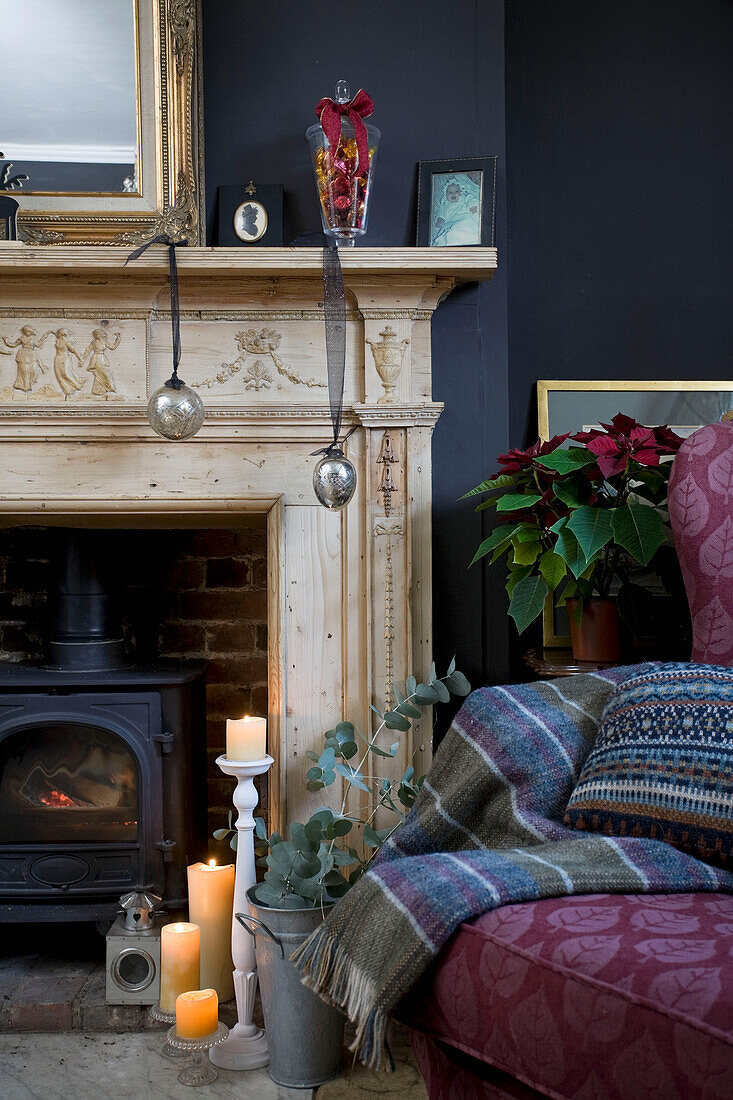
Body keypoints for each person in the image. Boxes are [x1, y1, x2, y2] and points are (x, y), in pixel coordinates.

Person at [431, 173, 481, 245]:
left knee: (465, 225)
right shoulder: (445, 204)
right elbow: (440, 213)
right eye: (450, 192)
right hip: (450, 221)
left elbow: (470, 199)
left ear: (460, 192)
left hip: (464, 217)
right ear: (446, 195)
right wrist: (440, 219)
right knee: (446, 233)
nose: (453, 194)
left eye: (456, 191)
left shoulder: (463, 197)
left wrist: (473, 205)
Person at [1, 326, 51, 394]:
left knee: (33, 371)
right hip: (23, 354)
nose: (29, 333)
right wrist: (6, 342)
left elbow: (38, 345)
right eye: (27, 331)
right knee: (24, 371)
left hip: (31, 354)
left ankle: (29, 385)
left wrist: (45, 336)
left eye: (30, 331)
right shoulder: (21, 338)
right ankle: (25, 387)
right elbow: (14, 345)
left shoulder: (33, 338)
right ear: (24, 331)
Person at [83, 329, 120, 397]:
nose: (96, 335)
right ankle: (106, 389)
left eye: (98, 334)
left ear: (102, 335)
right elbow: (88, 349)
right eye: (95, 334)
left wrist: (118, 339)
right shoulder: (94, 342)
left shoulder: (104, 342)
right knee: (101, 374)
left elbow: (113, 347)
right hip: (96, 359)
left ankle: (101, 390)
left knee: (103, 374)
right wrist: (83, 357)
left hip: (102, 358)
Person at [50, 328, 85, 397]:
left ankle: (77, 385)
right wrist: (51, 332)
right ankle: (68, 390)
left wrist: (80, 358)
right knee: (59, 375)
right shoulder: (57, 340)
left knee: (65, 374)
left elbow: (73, 350)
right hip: (57, 358)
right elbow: (55, 335)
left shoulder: (66, 341)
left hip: (65, 358)